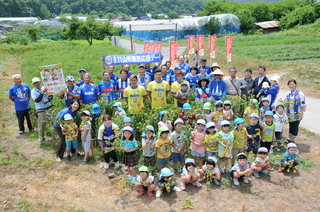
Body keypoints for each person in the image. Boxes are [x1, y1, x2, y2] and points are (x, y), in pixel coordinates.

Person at [31, 77, 53, 142]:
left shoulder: (45, 87)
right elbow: (37, 100)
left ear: (40, 82)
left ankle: (54, 137)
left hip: (48, 108)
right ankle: (41, 138)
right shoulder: (33, 91)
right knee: (41, 125)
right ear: (33, 84)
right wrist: (42, 92)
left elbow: (51, 95)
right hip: (41, 110)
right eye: (35, 83)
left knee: (52, 123)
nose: (37, 84)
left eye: (37, 82)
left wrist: (48, 99)